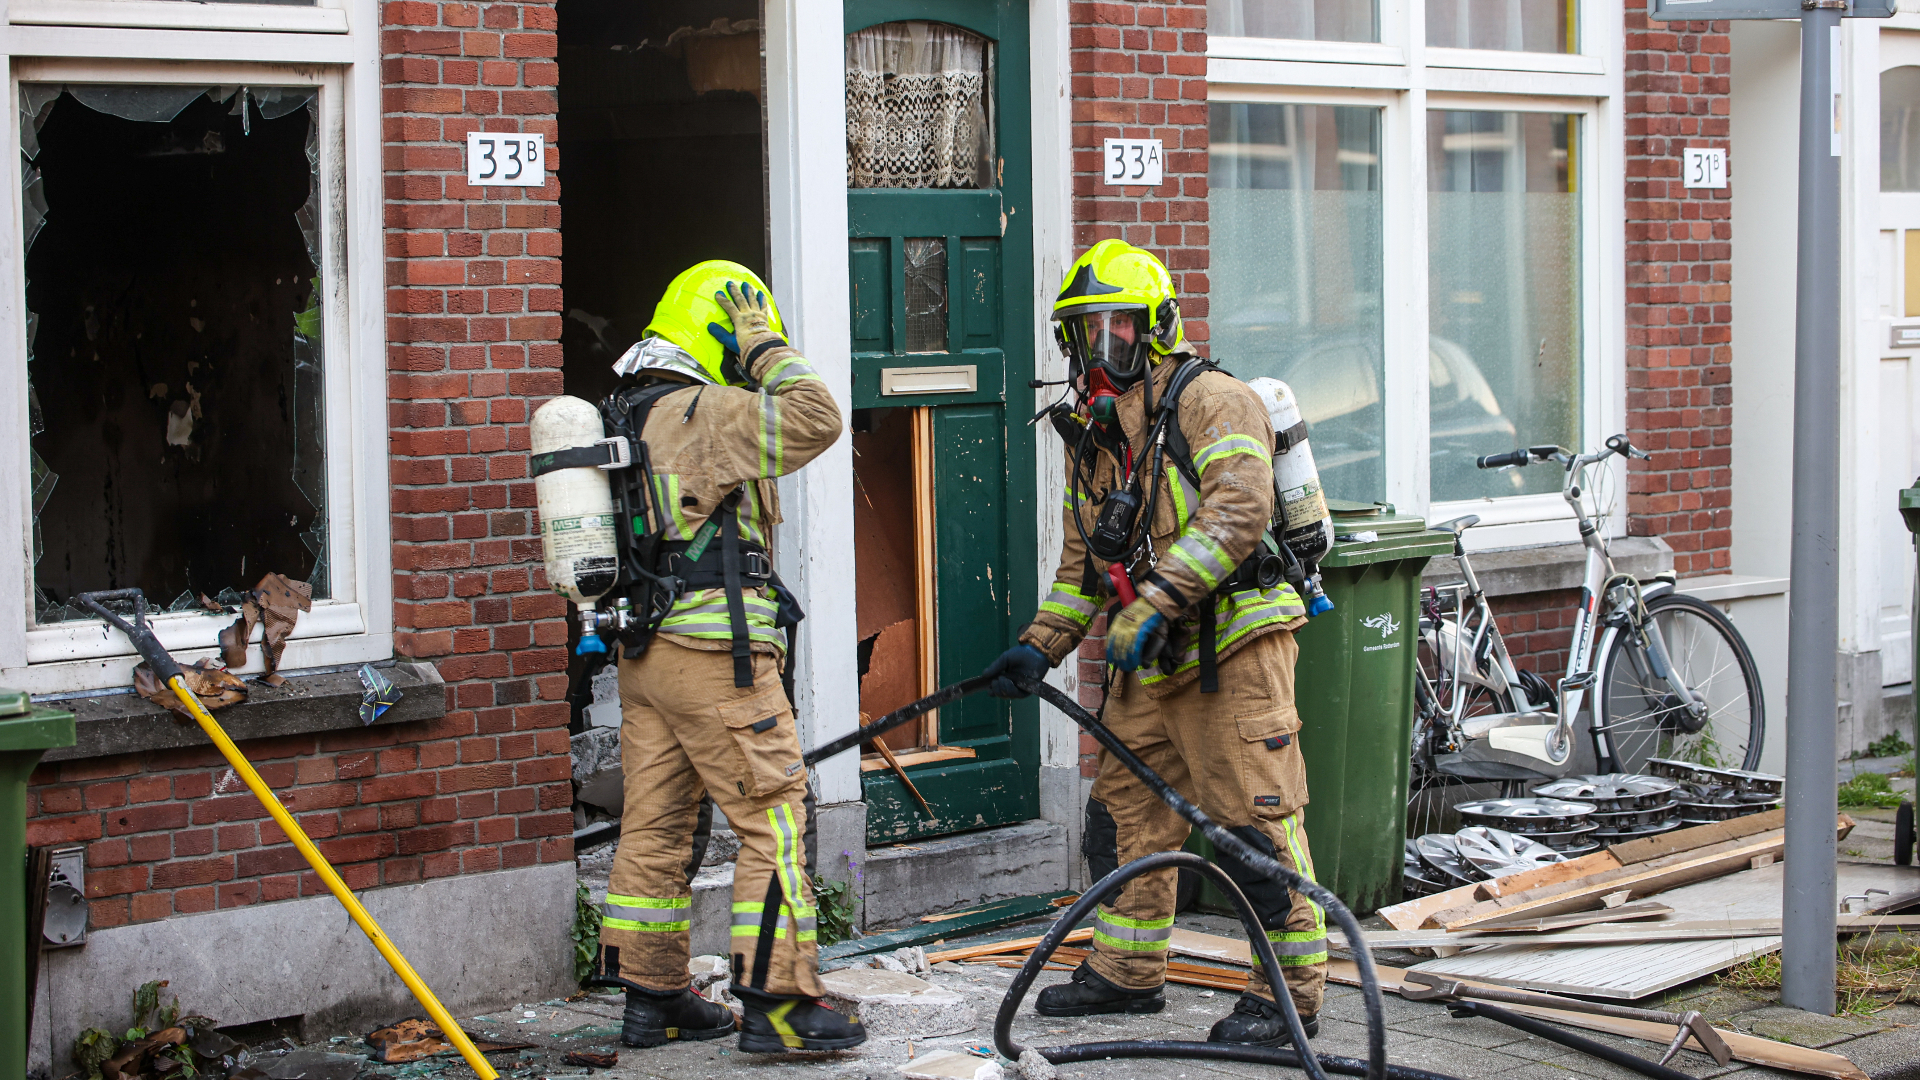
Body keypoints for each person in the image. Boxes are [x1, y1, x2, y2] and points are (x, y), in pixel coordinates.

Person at [981, 240, 1327, 1045]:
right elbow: (1085, 567)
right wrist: (1040, 644)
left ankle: (1290, 1000)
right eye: (1083, 333)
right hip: (1156, 661)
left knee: (1254, 826)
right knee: (1123, 819)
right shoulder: (1094, 441)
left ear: (1158, 327)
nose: (1099, 351)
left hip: (1233, 648)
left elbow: (1237, 512)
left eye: (1117, 330)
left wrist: (1160, 600)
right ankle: (1125, 973)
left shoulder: (1215, 401)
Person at [591, 260, 864, 1055]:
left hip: (645, 661)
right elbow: (816, 418)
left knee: (655, 826)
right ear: (717, 337)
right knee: (773, 819)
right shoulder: (706, 411)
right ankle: (781, 1006)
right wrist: (765, 348)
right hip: (718, 660)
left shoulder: (627, 413)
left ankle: (655, 1001)